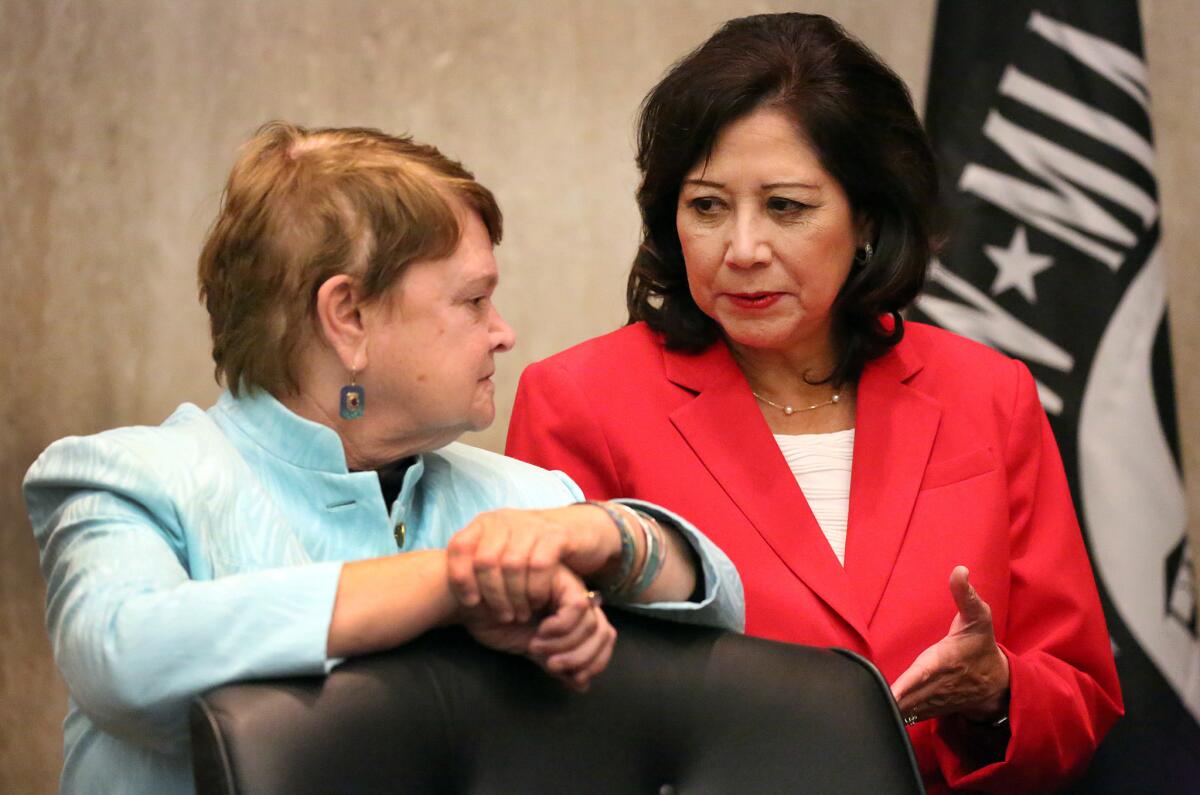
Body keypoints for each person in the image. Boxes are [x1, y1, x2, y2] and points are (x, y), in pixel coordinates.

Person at [23, 122, 742, 794]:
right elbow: (120, 656)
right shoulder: (127, 479)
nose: (504, 332)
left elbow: (728, 618)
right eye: (474, 300)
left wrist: (608, 536)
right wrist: (447, 584)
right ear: (350, 318)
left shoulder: (521, 500)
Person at [506, 13, 1121, 793]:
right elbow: (536, 709)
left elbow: (1081, 695)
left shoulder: (986, 391)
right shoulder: (577, 400)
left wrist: (996, 692)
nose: (743, 248)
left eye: (787, 207)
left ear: (866, 218)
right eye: (707, 206)